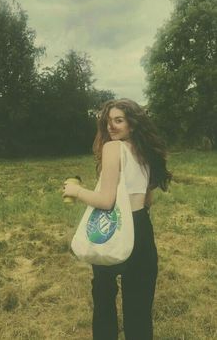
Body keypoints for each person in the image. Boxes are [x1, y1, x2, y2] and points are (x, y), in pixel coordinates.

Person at [63, 98, 172, 340]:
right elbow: (147, 201)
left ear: (132, 124)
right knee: (139, 309)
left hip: (113, 227)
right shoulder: (146, 151)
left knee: (104, 296)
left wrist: (76, 192)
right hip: (142, 228)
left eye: (118, 120)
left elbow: (106, 201)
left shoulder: (113, 148)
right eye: (108, 121)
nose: (111, 126)